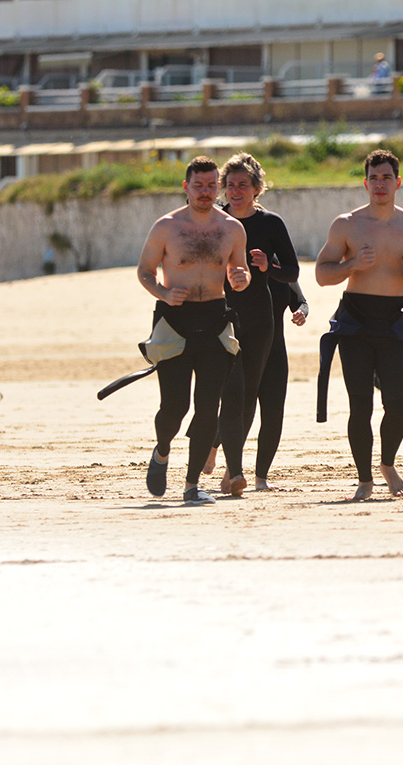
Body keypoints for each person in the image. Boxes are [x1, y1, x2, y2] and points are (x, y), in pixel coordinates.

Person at [316, 149, 403, 501]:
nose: (379, 183)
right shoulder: (347, 224)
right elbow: (322, 274)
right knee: (361, 406)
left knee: (400, 401)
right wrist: (351, 263)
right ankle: (365, 479)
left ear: (398, 182)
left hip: (395, 318)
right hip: (356, 320)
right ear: (365, 182)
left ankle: (387, 464)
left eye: (386, 178)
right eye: (373, 177)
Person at [136, 156, 251, 506]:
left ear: (219, 187)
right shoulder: (167, 227)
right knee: (174, 406)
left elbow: (240, 272)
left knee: (207, 406)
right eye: (198, 185)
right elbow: (144, 272)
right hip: (175, 320)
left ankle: (190, 485)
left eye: (211, 185)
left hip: (215, 319)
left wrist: (242, 279)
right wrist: (165, 293)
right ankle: (162, 450)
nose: (205, 191)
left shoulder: (232, 228)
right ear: (186, 187)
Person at [204, 153, 301, 497]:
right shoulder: (215, 222)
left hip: (263, 320)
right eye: (230, 185)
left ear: (257, 188)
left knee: (270, 405)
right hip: (224, 320)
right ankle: (233, 468)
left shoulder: (271, 224)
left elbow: (292, 272)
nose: (236, 191)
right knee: (237, 398)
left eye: (243, 184)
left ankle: (257, 476)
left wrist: (268, 268)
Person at [251, 278, 309, 490]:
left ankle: (261, 478)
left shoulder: (282, 269)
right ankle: (221, 457)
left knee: (273, 414)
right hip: (244, 351)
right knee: (238, 410)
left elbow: (301, 301)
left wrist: (302, 312)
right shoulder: (238, 263)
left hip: (275, 352)